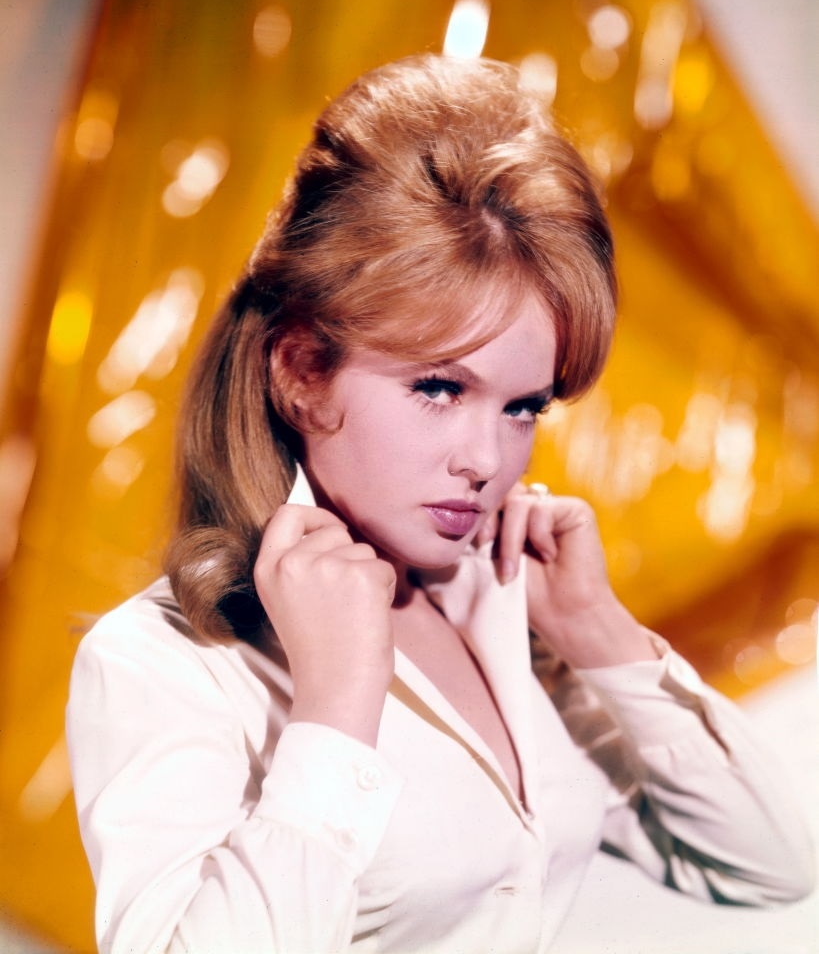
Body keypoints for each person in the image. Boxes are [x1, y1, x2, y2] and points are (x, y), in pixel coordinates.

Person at [66, 54, 814, 954]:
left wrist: (598, 632)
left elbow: (769, 862)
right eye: (436, 388)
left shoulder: (502, 610)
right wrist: (336, 706)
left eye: (522, 406)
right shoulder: (166, 664)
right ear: (302, 370)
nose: (485, 459)